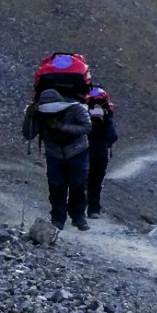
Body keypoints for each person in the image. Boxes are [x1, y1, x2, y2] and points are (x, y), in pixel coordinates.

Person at [22, 84, 92, 231]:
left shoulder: (75, 108)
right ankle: (58, 219)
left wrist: (61, 127)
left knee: (78, 184)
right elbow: (28, 134)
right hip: (54, 153)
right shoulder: (38, 113)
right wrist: (29, 116)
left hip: (77, 151)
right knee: (56, 186)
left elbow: (87, 127)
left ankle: (78, 217)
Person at [85, 86, 118, 217]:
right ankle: (94, 209)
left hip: (83, 152)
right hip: (101, 154)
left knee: (80, 179)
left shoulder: (82, 115)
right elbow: (113, 136)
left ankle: (76, 208)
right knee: (96, 182)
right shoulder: (107, 117)